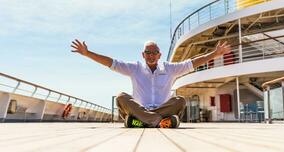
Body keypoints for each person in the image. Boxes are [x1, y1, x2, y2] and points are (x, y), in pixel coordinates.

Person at [71, 39, 231, 128]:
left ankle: (141, 122)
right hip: (140, 110)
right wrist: (87, 53)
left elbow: (192, 63)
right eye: (148, 52)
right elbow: (111, 63)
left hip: (162, 110)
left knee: (180, 100)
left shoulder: (170, 68)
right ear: (143, 54)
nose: (151, 55)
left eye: (154, 52)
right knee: (121, 97)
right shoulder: (135, 68)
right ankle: (159, 122)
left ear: (159, 54)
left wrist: (215, 54)